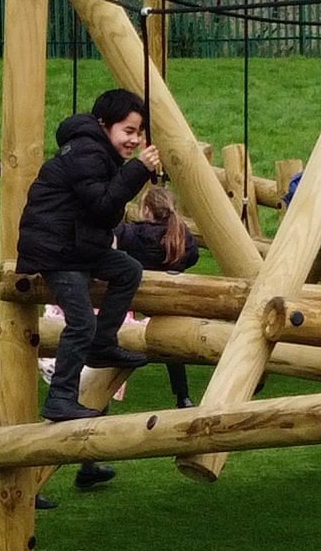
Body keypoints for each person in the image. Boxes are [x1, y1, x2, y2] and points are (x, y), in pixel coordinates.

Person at [14, 87, 160, 427]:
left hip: (78, 245)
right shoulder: (86, 153)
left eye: (138, 133)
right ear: (104, 124)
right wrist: (138, 169)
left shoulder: (102, 155)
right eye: (128, 130)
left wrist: (131, 171)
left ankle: (103, 344)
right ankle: (60, 397)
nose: (134, 140)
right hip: (58, 250)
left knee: (127, 270)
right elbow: (103, 205)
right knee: (80, 321)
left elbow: (105, 214)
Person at [113, 184, 199, 407]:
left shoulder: (135, 234)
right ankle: (183, 395)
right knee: (171, 346)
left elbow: (113, 234)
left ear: (147, 211)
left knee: (113, 333)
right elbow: (194, 257)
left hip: (137, 295)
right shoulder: (183, 236)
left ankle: (101, 391)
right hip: (170, 299)